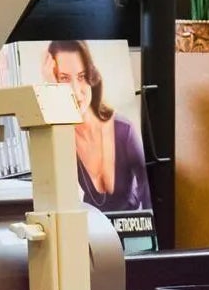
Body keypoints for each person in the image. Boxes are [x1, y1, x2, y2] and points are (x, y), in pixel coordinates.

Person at [42, 39, 152, 213]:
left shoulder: (124, 130)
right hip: (93, 226)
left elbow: (148, 187)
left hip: (132, 226)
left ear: (91, 76)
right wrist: (50, 89)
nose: (75, 90)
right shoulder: (63, 138)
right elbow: (55, 194)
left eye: (81, 76)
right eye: (64, 78)